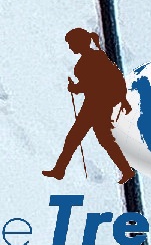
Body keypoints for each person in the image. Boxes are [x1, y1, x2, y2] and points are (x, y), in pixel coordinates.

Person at [45, 28, 135, 182]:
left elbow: (95, 84)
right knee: (90, 138)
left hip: (97, 104)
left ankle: (126, 170)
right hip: (95, 103)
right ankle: (60, 169)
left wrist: (75, 88)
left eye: (71, 44)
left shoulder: (93, 59)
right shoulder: (92, 59)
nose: (70, 47)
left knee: (85, 137)